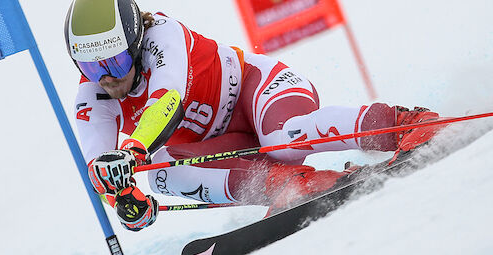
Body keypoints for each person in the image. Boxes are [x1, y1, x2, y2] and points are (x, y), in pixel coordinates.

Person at [65, 0, 444, 231]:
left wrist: (131, 152)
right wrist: (125, 200)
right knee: (162, 176)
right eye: (91, 66)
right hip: (225, 142)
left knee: (283, 143)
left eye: (114, 59)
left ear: (135, 41)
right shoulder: (93, 90)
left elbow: (167, 99)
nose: (107, 76)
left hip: (259, 91)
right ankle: (296, 186)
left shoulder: (164, 35)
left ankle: (407, 125)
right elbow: (97, 166)